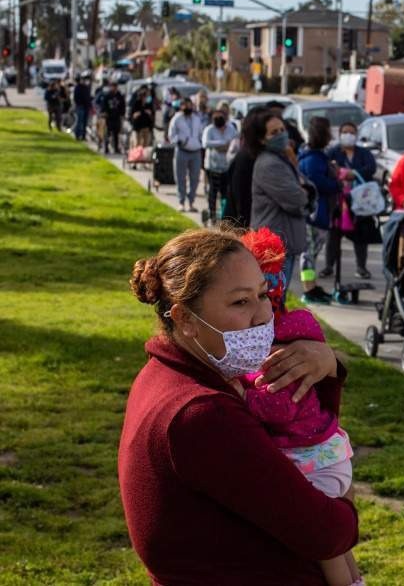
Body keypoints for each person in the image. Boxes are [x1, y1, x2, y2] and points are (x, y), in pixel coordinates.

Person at [121, 229, 358, 585]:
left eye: (263, 294)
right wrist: (347, 505)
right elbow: (324, 532)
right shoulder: (201, 413)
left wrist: (327, 366)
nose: (264, 315)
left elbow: (301, 432)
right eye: (240, 303)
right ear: (185, 319)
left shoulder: (167, 373)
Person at [240, 227, 364, 586]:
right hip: (331, 450)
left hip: (311, 461)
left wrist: (243, 395)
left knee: (329, 549)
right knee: (344, 547)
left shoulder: (272, 352)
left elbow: (278, 407)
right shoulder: (301, 324)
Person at [251, 111, 311, 301]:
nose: (281, 134)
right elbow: (297, 199)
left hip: (283, 241)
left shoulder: (282, 158)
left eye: (282, 129)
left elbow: (303, 188)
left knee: (278, 298)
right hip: (275, 245)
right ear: (262, 139)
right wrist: (304, 195)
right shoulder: (270, 165)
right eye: (274, 132)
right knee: (273, 301)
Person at [323, 120, 378, 280]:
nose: (348, 135)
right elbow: (327, 168)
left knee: (361, 235)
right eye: (345, 132)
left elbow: (371, 168)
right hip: (338, 201)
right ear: (339, 135)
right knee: (334, 235)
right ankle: (328, 266)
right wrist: (339, 172)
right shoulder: (333, 152)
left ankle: (361, 267)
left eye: (352, 133)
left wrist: (354, 173)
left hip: (360, 200)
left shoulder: (363, 153)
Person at [297, 117, 340, 304]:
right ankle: (308, 288)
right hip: (315, 213)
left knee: (311, 253)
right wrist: (336, 182)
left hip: (318, 212)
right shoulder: (314, 159)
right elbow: (318, 184)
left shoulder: (314, 156)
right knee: (309, 253)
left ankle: (311, 285)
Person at [224, 107, 267, 228]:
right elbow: (242, 204)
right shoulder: (245, 159)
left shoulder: (266, 156)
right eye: (273, 132)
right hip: (245, 231)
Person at [168, 97, 206, 213]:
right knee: (181, 177)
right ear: (181, 106)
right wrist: (179, 140)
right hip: (182, 151)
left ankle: (191, 202)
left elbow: (200, 133)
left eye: (190, 105)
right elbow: (171, 135)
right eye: (186, 105)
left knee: (195, 178)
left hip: (195, 151)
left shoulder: (196, 118)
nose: (188, 107)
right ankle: (181, 202)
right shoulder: (177, 119)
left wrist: (199, 143)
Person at [202, 108, 239, 225]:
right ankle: (212, 214)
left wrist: (227, 146)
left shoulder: (231, 128)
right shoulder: (209, 130)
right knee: (213, 191)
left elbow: (235, 141)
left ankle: (224, 215)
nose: (222, 129)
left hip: (226, 165)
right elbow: (205, 143)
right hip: (213, 166)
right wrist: (222, 144)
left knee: (225, 192)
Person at [101, 82, 127, 154]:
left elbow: (123, 106)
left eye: (115, 86)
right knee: (107, 133)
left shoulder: (120, 96)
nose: (114, 88)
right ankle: (106, 148)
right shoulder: (107, 96)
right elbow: (104, 106)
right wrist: (104, 112)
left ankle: (116, 148)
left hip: (117, 117)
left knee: (116, 134)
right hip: (109, 118)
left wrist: (122, 114)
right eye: (112, 86)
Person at [72, 75, 93, 141]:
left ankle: (83, 136)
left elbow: (88, 97)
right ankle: (77, 135)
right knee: (79, 121)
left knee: (85, 122)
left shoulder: (86, 88)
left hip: (86, 107)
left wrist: (89, 104)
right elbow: (76, 98)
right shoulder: (78, 87)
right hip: (80, 106)